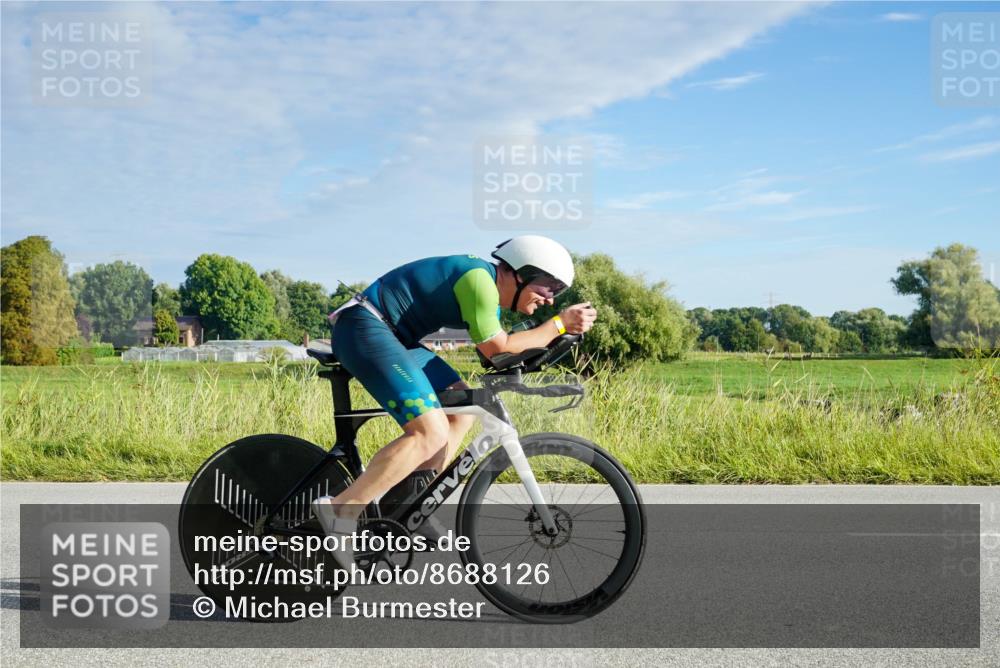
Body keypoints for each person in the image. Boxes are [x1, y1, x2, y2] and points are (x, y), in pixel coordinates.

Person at [312, 236, 597, 569]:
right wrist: (560, 324)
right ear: (521, 273)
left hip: (395, 336)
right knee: (428, 432)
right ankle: (342, 509)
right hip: (365, 327)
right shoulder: (480, 282)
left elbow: (498, 355)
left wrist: (553, 338)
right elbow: (498, 348)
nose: (549, 300)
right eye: (548, 288)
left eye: (556, 293)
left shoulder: (487, 292)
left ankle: (408, 505)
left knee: (461, 412)